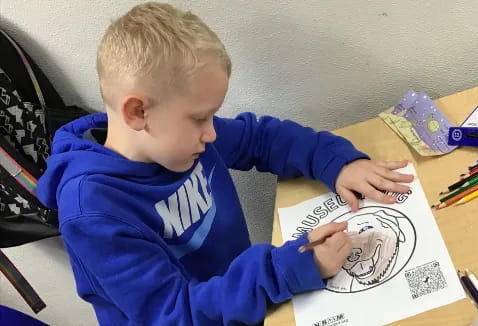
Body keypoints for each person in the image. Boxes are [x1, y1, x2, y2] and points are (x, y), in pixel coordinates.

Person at [37, 2, 413, 325]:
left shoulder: (181, 139)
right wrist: (285, 270)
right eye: (200, 118)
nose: (212, 133)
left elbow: (260, 138)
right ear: (138, 112)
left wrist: (335, 163)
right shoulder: (93, 215)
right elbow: (176, 314)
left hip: (244, 299)